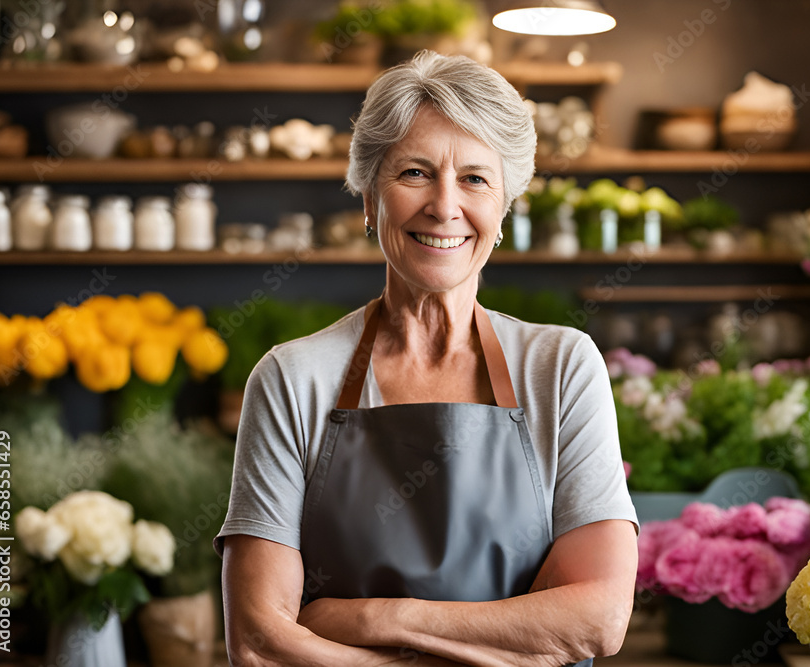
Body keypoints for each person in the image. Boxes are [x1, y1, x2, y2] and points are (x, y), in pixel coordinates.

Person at [215, 50, 638, 667]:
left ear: (502, 210)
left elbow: (597, 619)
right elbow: (258, 642)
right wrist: (501, 639)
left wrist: (371, 616)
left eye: (474, 178)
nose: (444, 206)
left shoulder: (562, 369)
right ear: (368, 198)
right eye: (414, 172)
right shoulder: (292, 380)